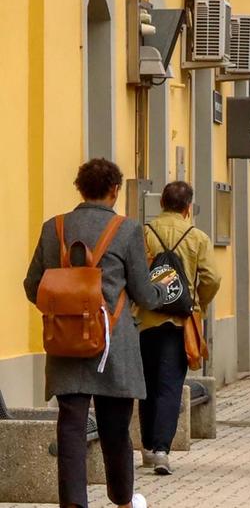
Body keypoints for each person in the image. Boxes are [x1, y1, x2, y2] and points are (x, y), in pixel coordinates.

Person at [24, 159, 171, 508]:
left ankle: (73, 503)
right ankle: (122, 498)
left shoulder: (52, 228)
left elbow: (33, 286)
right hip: (112, 345)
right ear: (115, 190)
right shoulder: (127, 229)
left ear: (80, 188)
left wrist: (66, 310)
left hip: (65, 342)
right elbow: (143, 292)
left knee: (71, 426)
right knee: (115, 428)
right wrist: (163, 291)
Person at [137, 181, 221, 475]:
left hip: (145, 320)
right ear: (188, 207)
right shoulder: (197, 237)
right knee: (170, 385)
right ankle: (162, 450)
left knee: (146, 384)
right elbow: (212, 277)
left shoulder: (144, 233)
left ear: (161, 202)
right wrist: (199, 304)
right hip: (180, 323)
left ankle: (147, 447)